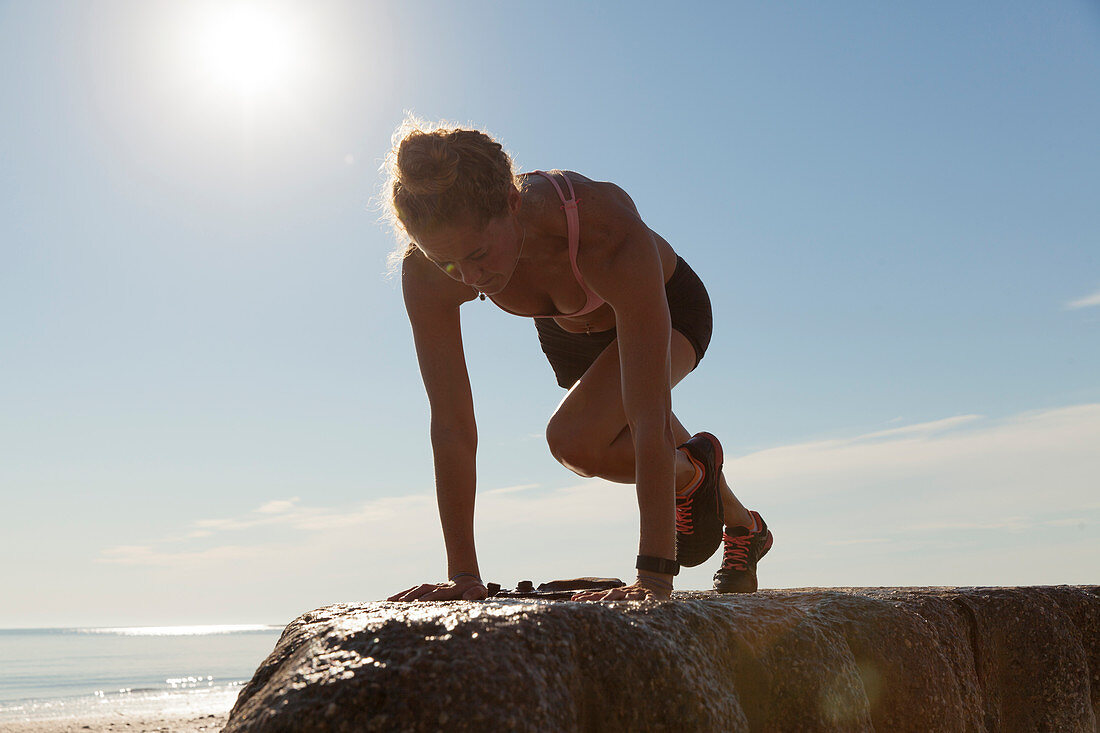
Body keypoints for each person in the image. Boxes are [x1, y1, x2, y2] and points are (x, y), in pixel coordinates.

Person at [383, 121, 772, 602]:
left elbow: (648, 419)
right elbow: (451, 424)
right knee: (615, 431)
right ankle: (739, 521)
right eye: (448, 263)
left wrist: (653, 579)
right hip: (567, 329)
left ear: (511, 202)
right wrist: (463, 578)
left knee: (575, 441)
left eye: (478, 255)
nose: (469, 278)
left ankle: (692, 473)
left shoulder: (605, 229)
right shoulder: (426, 272)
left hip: (666, 306)